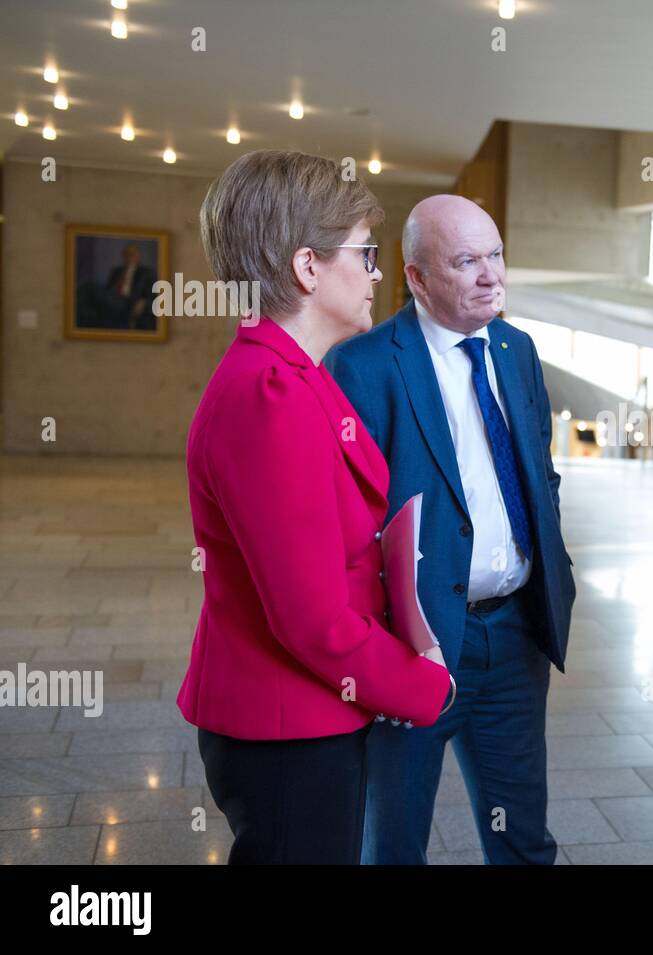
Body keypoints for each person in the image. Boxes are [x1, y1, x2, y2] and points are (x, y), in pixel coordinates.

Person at [178, 149, 452, 865]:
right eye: (364, 253)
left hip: (307, 712)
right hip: (286, 728)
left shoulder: (294, 375)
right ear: (307, 267)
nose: (376, 273)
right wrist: (422, 682)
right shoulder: (269, 394)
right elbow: (309, 618)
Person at [327, 194, 575, 865]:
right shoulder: (364, 366)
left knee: (523, 837)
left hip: (515, 634)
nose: (491, 274)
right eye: (467, 261)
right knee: (397, 841)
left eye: (495, 254)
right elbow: (346, 525)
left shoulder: (516, 349)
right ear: (416, 276)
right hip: (415, 644)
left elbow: (539, 474)